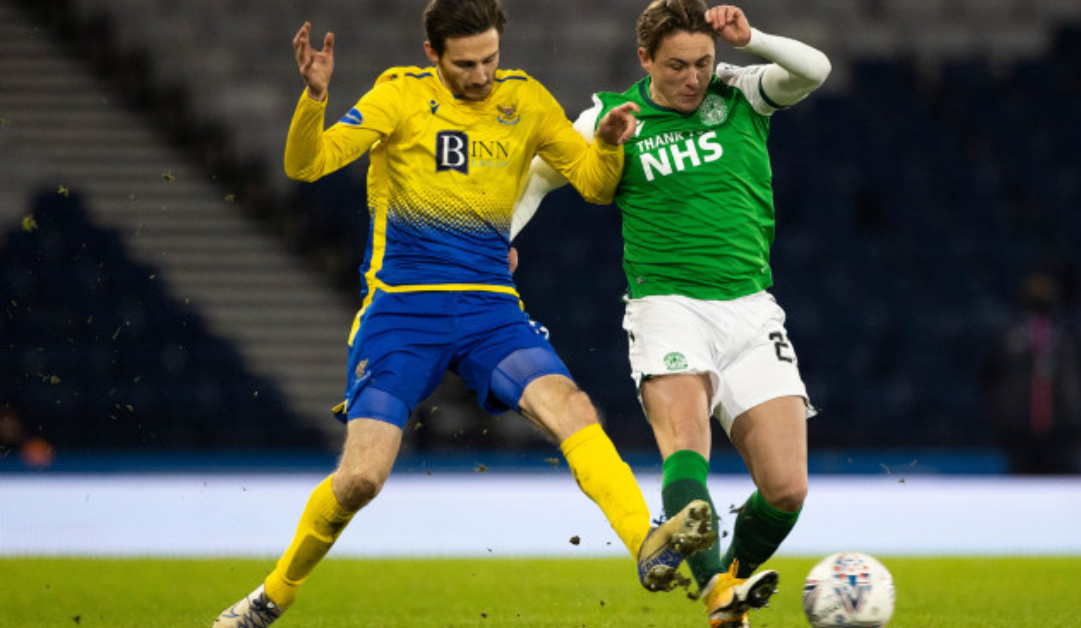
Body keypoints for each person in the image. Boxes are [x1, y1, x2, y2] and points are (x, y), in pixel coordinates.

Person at [212, 1, 717, 625]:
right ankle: (273, 596)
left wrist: (609, 146)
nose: (481, 75)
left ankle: (646, 543)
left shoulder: (526, 101)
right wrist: (314, 98)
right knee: (360, 480)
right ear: (433, 54)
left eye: (490, 60)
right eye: (466, 64)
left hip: (489, 310)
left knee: (572, 408)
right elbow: (304, 164)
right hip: (401, 314)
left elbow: (594, 185)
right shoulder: (397, 96)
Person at [512, 1, 831, 626]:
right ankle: (718, 597)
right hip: (668, 307)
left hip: (751, 309)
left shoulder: (739, 91)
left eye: (703, 63)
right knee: (689, 445)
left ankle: (730, 583)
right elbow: (534, 179)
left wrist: (754, 39)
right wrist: (492, 249)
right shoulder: (611, 117)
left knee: (787, 490)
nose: (694, 78)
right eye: (678, 66)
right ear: (645, 60)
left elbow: (814, 70)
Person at [982, 268, 1081, 474]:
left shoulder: (1071, 337)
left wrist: (1076, 415)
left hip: (1063, 436)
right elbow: (988, 378)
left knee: (1067, 500)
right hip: (1020, 436)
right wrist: (1005, 416)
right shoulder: (1007, 337)